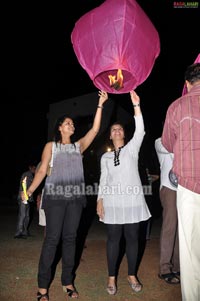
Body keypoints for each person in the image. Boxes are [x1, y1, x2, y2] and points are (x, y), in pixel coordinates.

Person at [21, 90, 108, 300]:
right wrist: (30, 191)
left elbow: (95, 130)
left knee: (70, 240)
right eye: (67, 123)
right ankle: (43, 287)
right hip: (55, 198)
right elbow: (42, 171)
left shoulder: (79, 146)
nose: (71, 125)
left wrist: (100, 104)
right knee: (52, 240)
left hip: (75, 199)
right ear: (59, 127)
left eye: (72, 123)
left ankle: (67, 281)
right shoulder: (51, 146)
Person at [96, 90, 151, 295]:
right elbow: (103, 180)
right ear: (110, 135)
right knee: (113, 239)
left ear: (124, 134)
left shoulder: (131, 149)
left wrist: (136, 105)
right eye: (114, 129)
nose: (117, 131)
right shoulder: (105, 158)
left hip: (133, 200)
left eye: (120, 129)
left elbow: (141, 131)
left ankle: (131, 274)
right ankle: (111, 277)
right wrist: (100, 200)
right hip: (112, 202)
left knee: (133, 238)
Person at [161, 63, 200, 301]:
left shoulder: (177, 106)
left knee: (189, 251)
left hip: (188, 185)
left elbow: (167, 143)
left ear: (187, 84)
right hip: (184, 184)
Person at [155, 137, 180, 284]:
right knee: (170, 227)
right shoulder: (160, 141)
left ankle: (177, 266)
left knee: (181, 229)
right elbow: (171, 148)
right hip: (169, 187)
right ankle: (164, 268)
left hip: (184, 188)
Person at [14, 162, 37, 239]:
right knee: (22, 215)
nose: (35, 169)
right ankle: (18, 233)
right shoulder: (27, 174)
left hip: (28, 199)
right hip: (23, 198)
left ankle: (24, 231)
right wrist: (23, 196)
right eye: (34, 168)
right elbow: (22, 185)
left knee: (27, 216)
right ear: (30, 168)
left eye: (35, 168)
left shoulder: (31, 176)